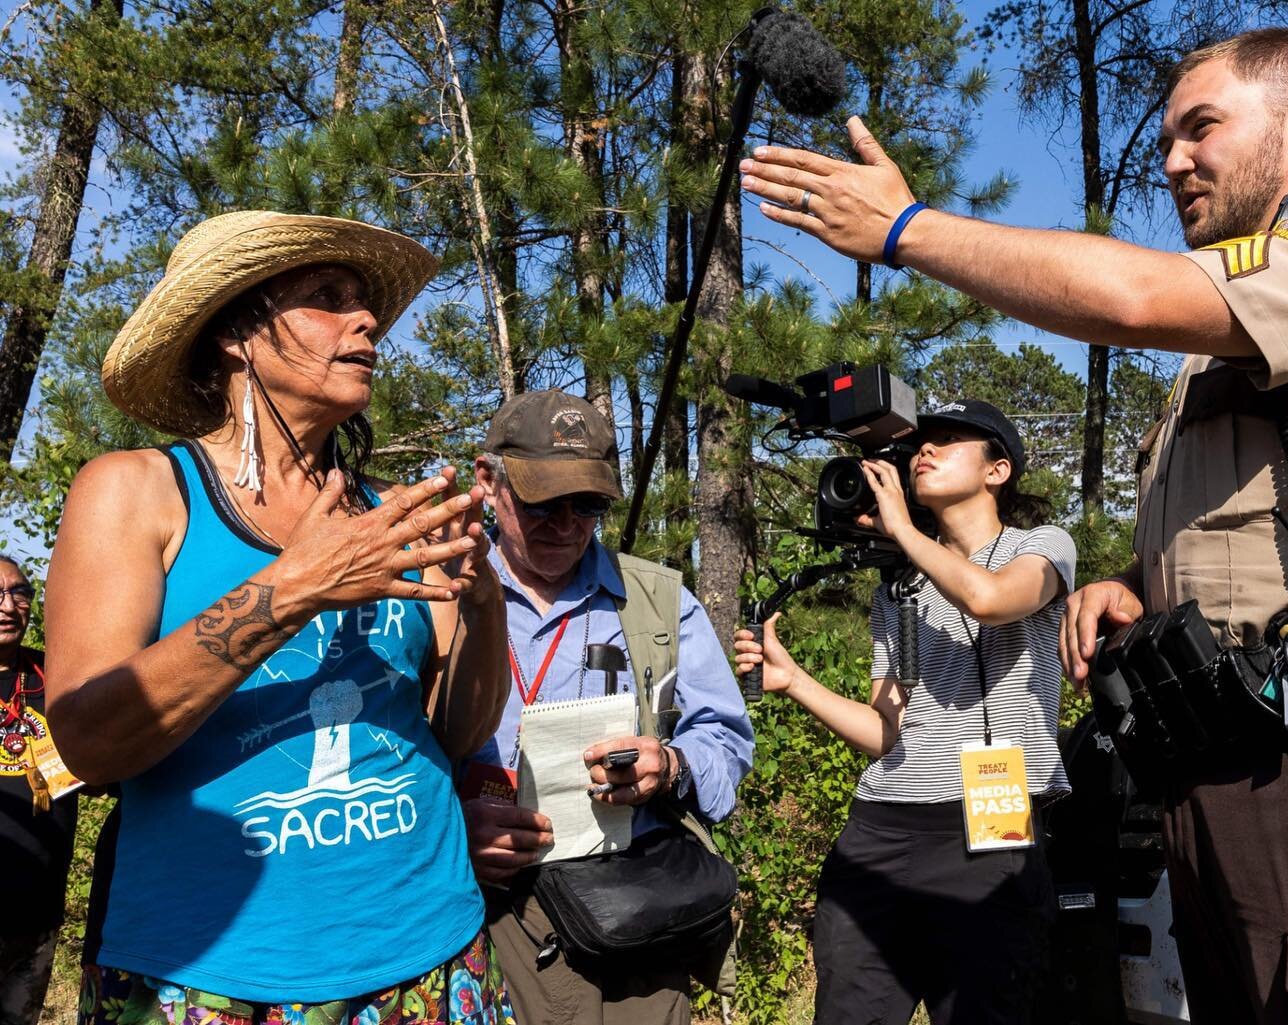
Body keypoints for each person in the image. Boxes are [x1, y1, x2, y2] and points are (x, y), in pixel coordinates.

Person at [738, 24, 1288, 1025]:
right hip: (1223, 776)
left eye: (1200, 127)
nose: (1170, 161)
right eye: (1165, 138)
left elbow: (1134, 293)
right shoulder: (1225, 348)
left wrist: (909, 228)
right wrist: (1141, 580)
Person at [43, 211, 515, 1023]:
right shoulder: (138, 491)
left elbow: (459, 728)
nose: (367, 319)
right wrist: (294, 587)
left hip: (430, 952)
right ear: (237, 335)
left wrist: (482, 597)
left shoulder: (384, 519)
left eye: (365, 301)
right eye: (326, 297)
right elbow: (87, 738)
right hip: (212, 972)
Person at [733, 402, 1075, 1025]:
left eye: (948, 441)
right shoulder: (901, 585)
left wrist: (903, 533)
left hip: (988, 832)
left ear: (998, 470)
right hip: (880, 830)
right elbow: (886, 731)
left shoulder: (1042, 548)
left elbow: (991, 600)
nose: (925, 451)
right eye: (921, 443)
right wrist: (794, 681)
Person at [458, 389, 754, 1025]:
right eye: (542, 504)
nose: (565, 525)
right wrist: (451, 826)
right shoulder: (438, 593)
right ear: (488, 481)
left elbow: (727, 742)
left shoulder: (657, 600)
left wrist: (669, 766)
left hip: (632, 912)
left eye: (587, 505)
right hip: (479, 910)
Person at [0, 557, 78, 1025]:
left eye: (19, 592)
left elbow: (101, 771)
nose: (8, 606)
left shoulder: (59, 676)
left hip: (37, 908)